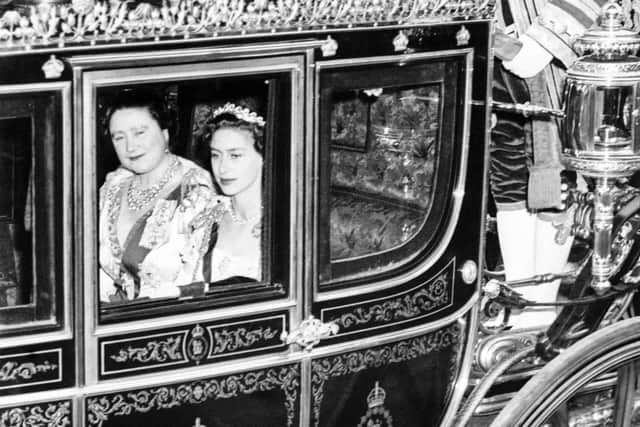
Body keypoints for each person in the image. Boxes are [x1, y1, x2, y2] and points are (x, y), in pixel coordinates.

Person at [491, 0, 608, 327]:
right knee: (506, 172)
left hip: (554, 47)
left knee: (556, 174)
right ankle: (518, 301)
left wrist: (547, 39)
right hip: (494, 39)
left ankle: (541, 310)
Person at [99, 88, 214, 303]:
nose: (130, 146)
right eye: (119, 137)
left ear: (165, 132)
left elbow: (199, 281)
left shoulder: (196, 190)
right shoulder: (114, 185)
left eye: (139, 133)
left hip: (170, 320)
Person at [198, 102, 265, 284]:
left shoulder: (282, 224)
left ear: (264, 157)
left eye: (235, 155)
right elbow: (194, 289)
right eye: (215, 155)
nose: (222, 168)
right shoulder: (208, 214)